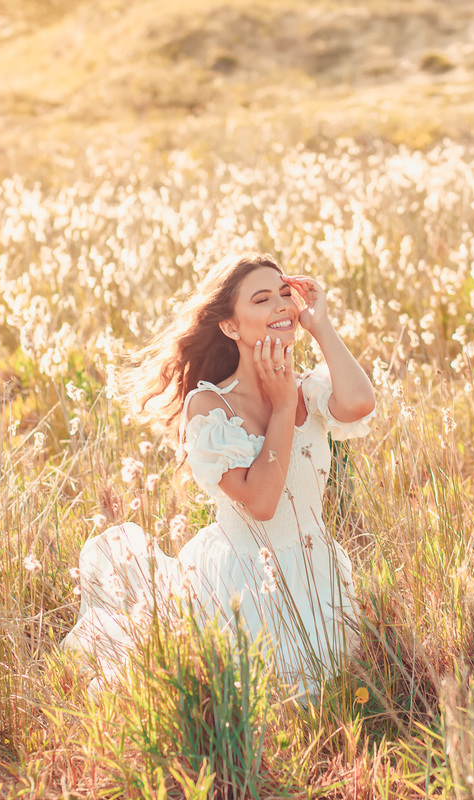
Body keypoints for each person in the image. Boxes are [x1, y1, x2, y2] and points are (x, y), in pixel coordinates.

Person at [61, 251, 376, 701]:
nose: (281, 306)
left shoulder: (308, 386)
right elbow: (262, 502)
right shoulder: (211, 406)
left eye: (284, 294)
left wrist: (320, 326)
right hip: (244, 585)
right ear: (230, 326)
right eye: (262, 299)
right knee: (268, 700)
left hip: (315, 571)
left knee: (337, 692)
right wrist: (283, 407)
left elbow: (361, 402)